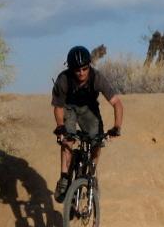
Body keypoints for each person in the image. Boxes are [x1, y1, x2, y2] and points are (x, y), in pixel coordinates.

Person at [50, 45, 124, 203]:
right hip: (68, 108)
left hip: (88, 110)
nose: (82, 73)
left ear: (89, 66)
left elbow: (116, 103)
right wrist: (60, 127)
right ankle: (64, 178)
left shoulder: (96, 78)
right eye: (77, 70)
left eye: (85, 68)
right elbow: (58, 107)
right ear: (71, 69)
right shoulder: (63, 79)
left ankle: (91, 174)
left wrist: (117, 127)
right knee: (67, 139)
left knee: (97, 140)